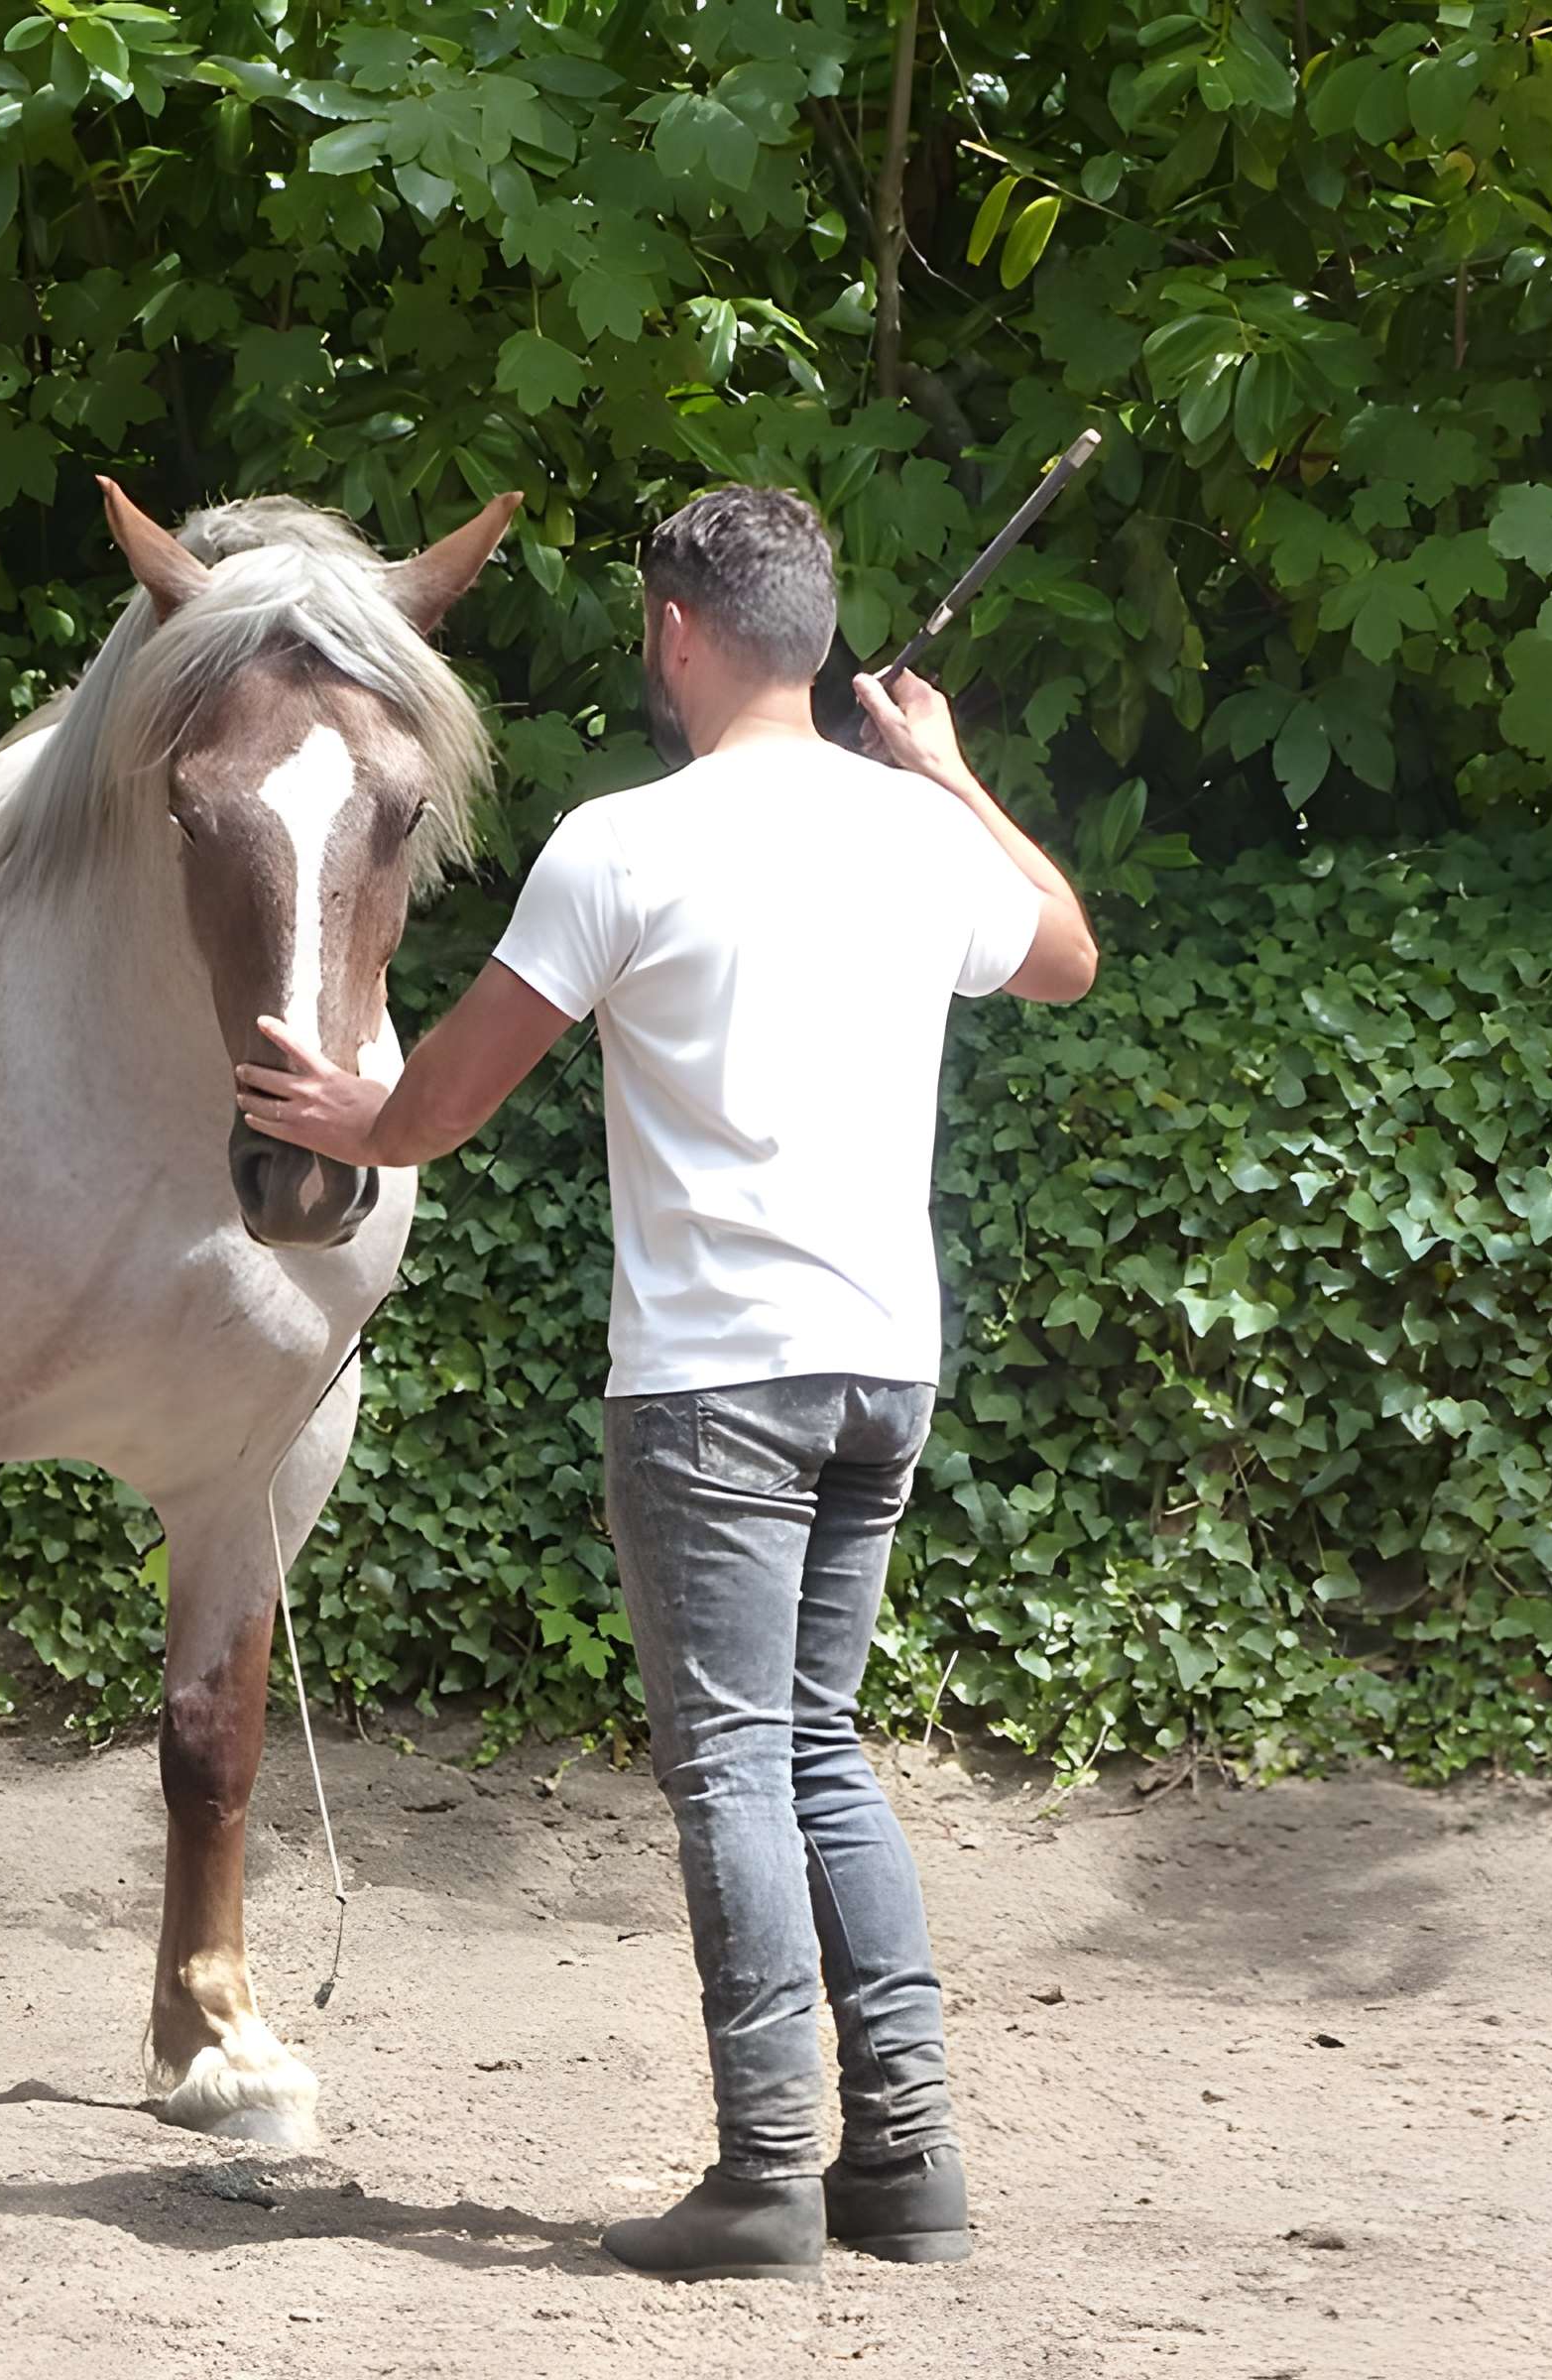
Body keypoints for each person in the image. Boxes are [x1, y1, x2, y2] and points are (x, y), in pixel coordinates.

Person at [232, 485, 1098, 2283]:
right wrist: (942, 773)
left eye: (650, 624)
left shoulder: (623, 844)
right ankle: (907, 2161)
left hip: (714, 1380)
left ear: (681, 634)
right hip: (883, 1363)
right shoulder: (916, 839)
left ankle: (769, 2168)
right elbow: (1069, 954)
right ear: (820, 639)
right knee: (819, 1749)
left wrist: (349, 1124)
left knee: (730, 1769)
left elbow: (453, 1094)